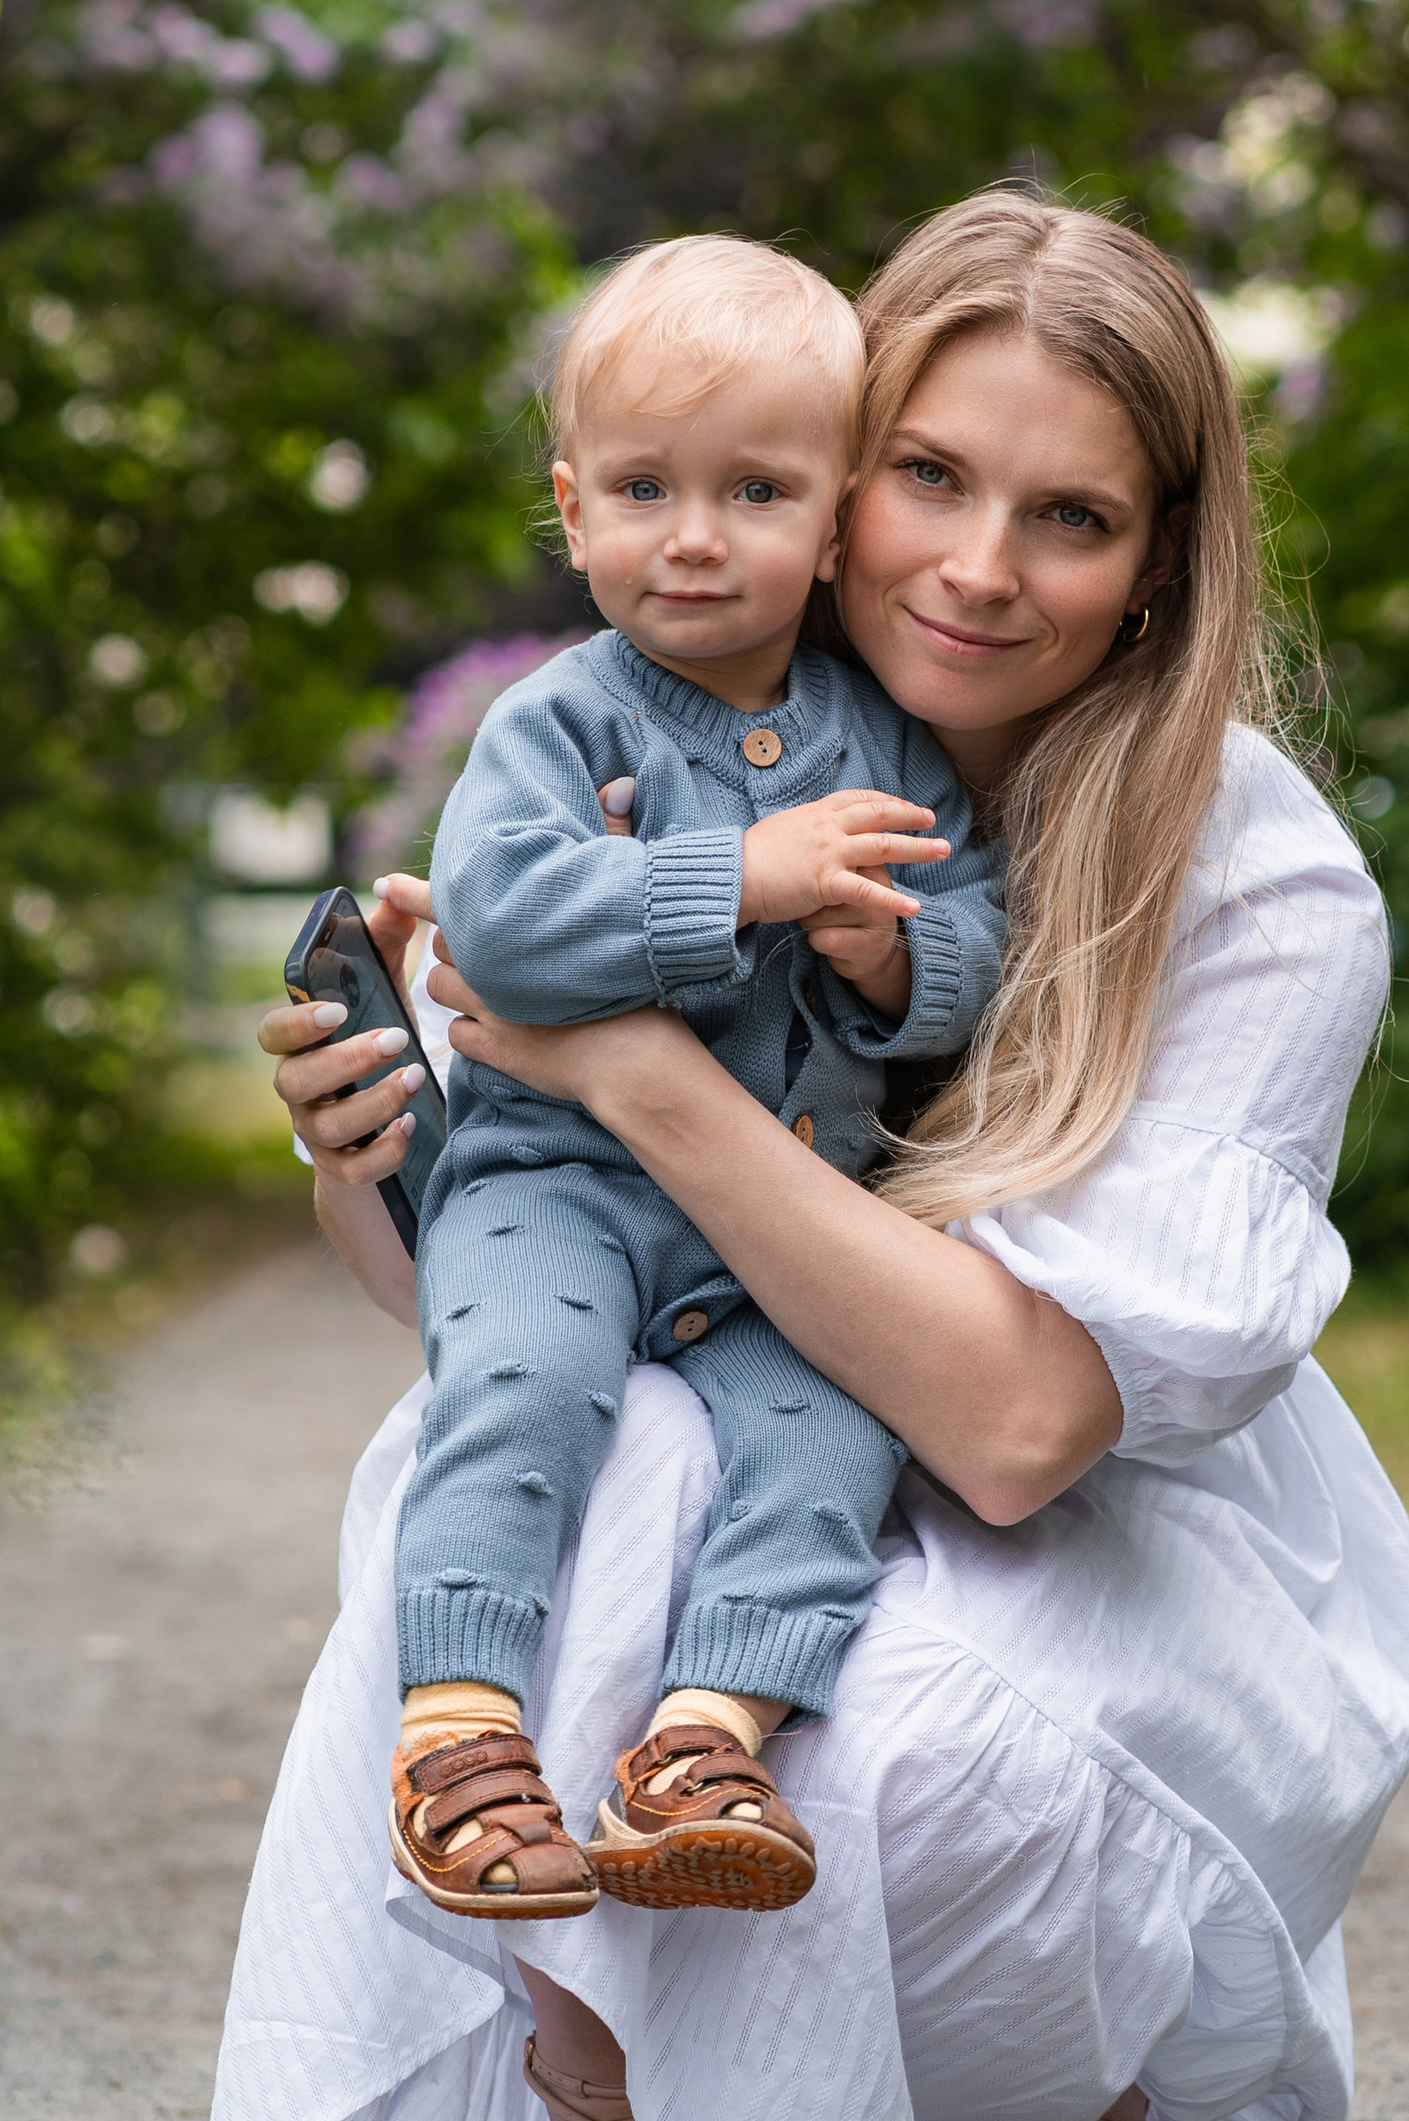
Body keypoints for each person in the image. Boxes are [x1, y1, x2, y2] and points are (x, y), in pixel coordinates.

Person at [170, 188, 1409, 2121]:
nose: (972, 564)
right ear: (838, 468)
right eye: (926, 480)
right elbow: (467, 1299)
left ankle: (1067, 2107)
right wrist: (379, 1132)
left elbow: (1027, 1427)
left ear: (1156, 559)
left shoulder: (1248, 876)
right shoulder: (675, 730)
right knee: (569, 1476)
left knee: (932, 1740)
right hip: (730, 1372)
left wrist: (627, 1064)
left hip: (1092, 1482)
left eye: (1067, 517)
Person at [386, 235, 1005, 1952]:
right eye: (645, 489)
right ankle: (458, 1729)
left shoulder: (883, 741)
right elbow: (501, 924)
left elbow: (975, 943)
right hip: (556, 1185)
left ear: (835, 524)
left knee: (836, 1433)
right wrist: (743, 873)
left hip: (778, 1225)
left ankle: (707, 1744)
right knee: (522, 1380)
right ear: (573, 513)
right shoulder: (554, 721)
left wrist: (895, 967)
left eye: (755, 491)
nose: (696, 535)